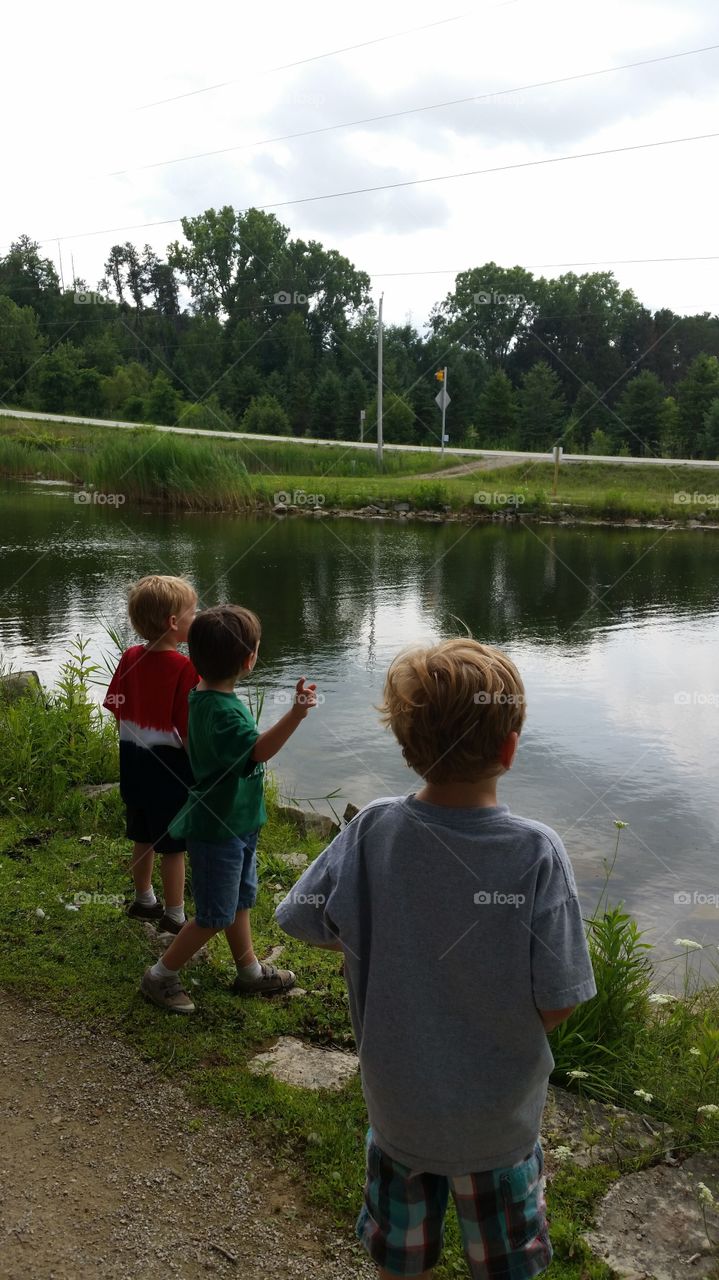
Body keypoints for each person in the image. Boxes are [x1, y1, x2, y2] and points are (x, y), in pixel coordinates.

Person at [275, 638, 597, 1280]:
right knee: (505, 1266)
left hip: (399, 1110)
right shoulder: (537, 852)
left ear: (407, 745)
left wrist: (382, 939)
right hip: (498, 1122)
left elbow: (302, 917)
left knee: (400, 1258)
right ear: (509, 748)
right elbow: (560, 996)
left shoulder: (371, 829)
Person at [140, 604, 317, 1014]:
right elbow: (258, 752)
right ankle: (160, 976)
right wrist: (296, 714)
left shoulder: (201, 695)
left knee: (239, 902)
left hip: (236, 823)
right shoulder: (225, 715)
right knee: (215, 915)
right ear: (249, 660)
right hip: (219, 830)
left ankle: (249, 972)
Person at [104, 574, 198, 935]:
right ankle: (174, 914)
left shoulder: (129, 657)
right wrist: (200, 769)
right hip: (170, 767)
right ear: (174, 623)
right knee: (173, 846)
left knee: (142, 835)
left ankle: (144, 899)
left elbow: (115, 707)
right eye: (193, 611)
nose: (197, 616)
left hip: (133, 759)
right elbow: (186, 730)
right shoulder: (185, 668)